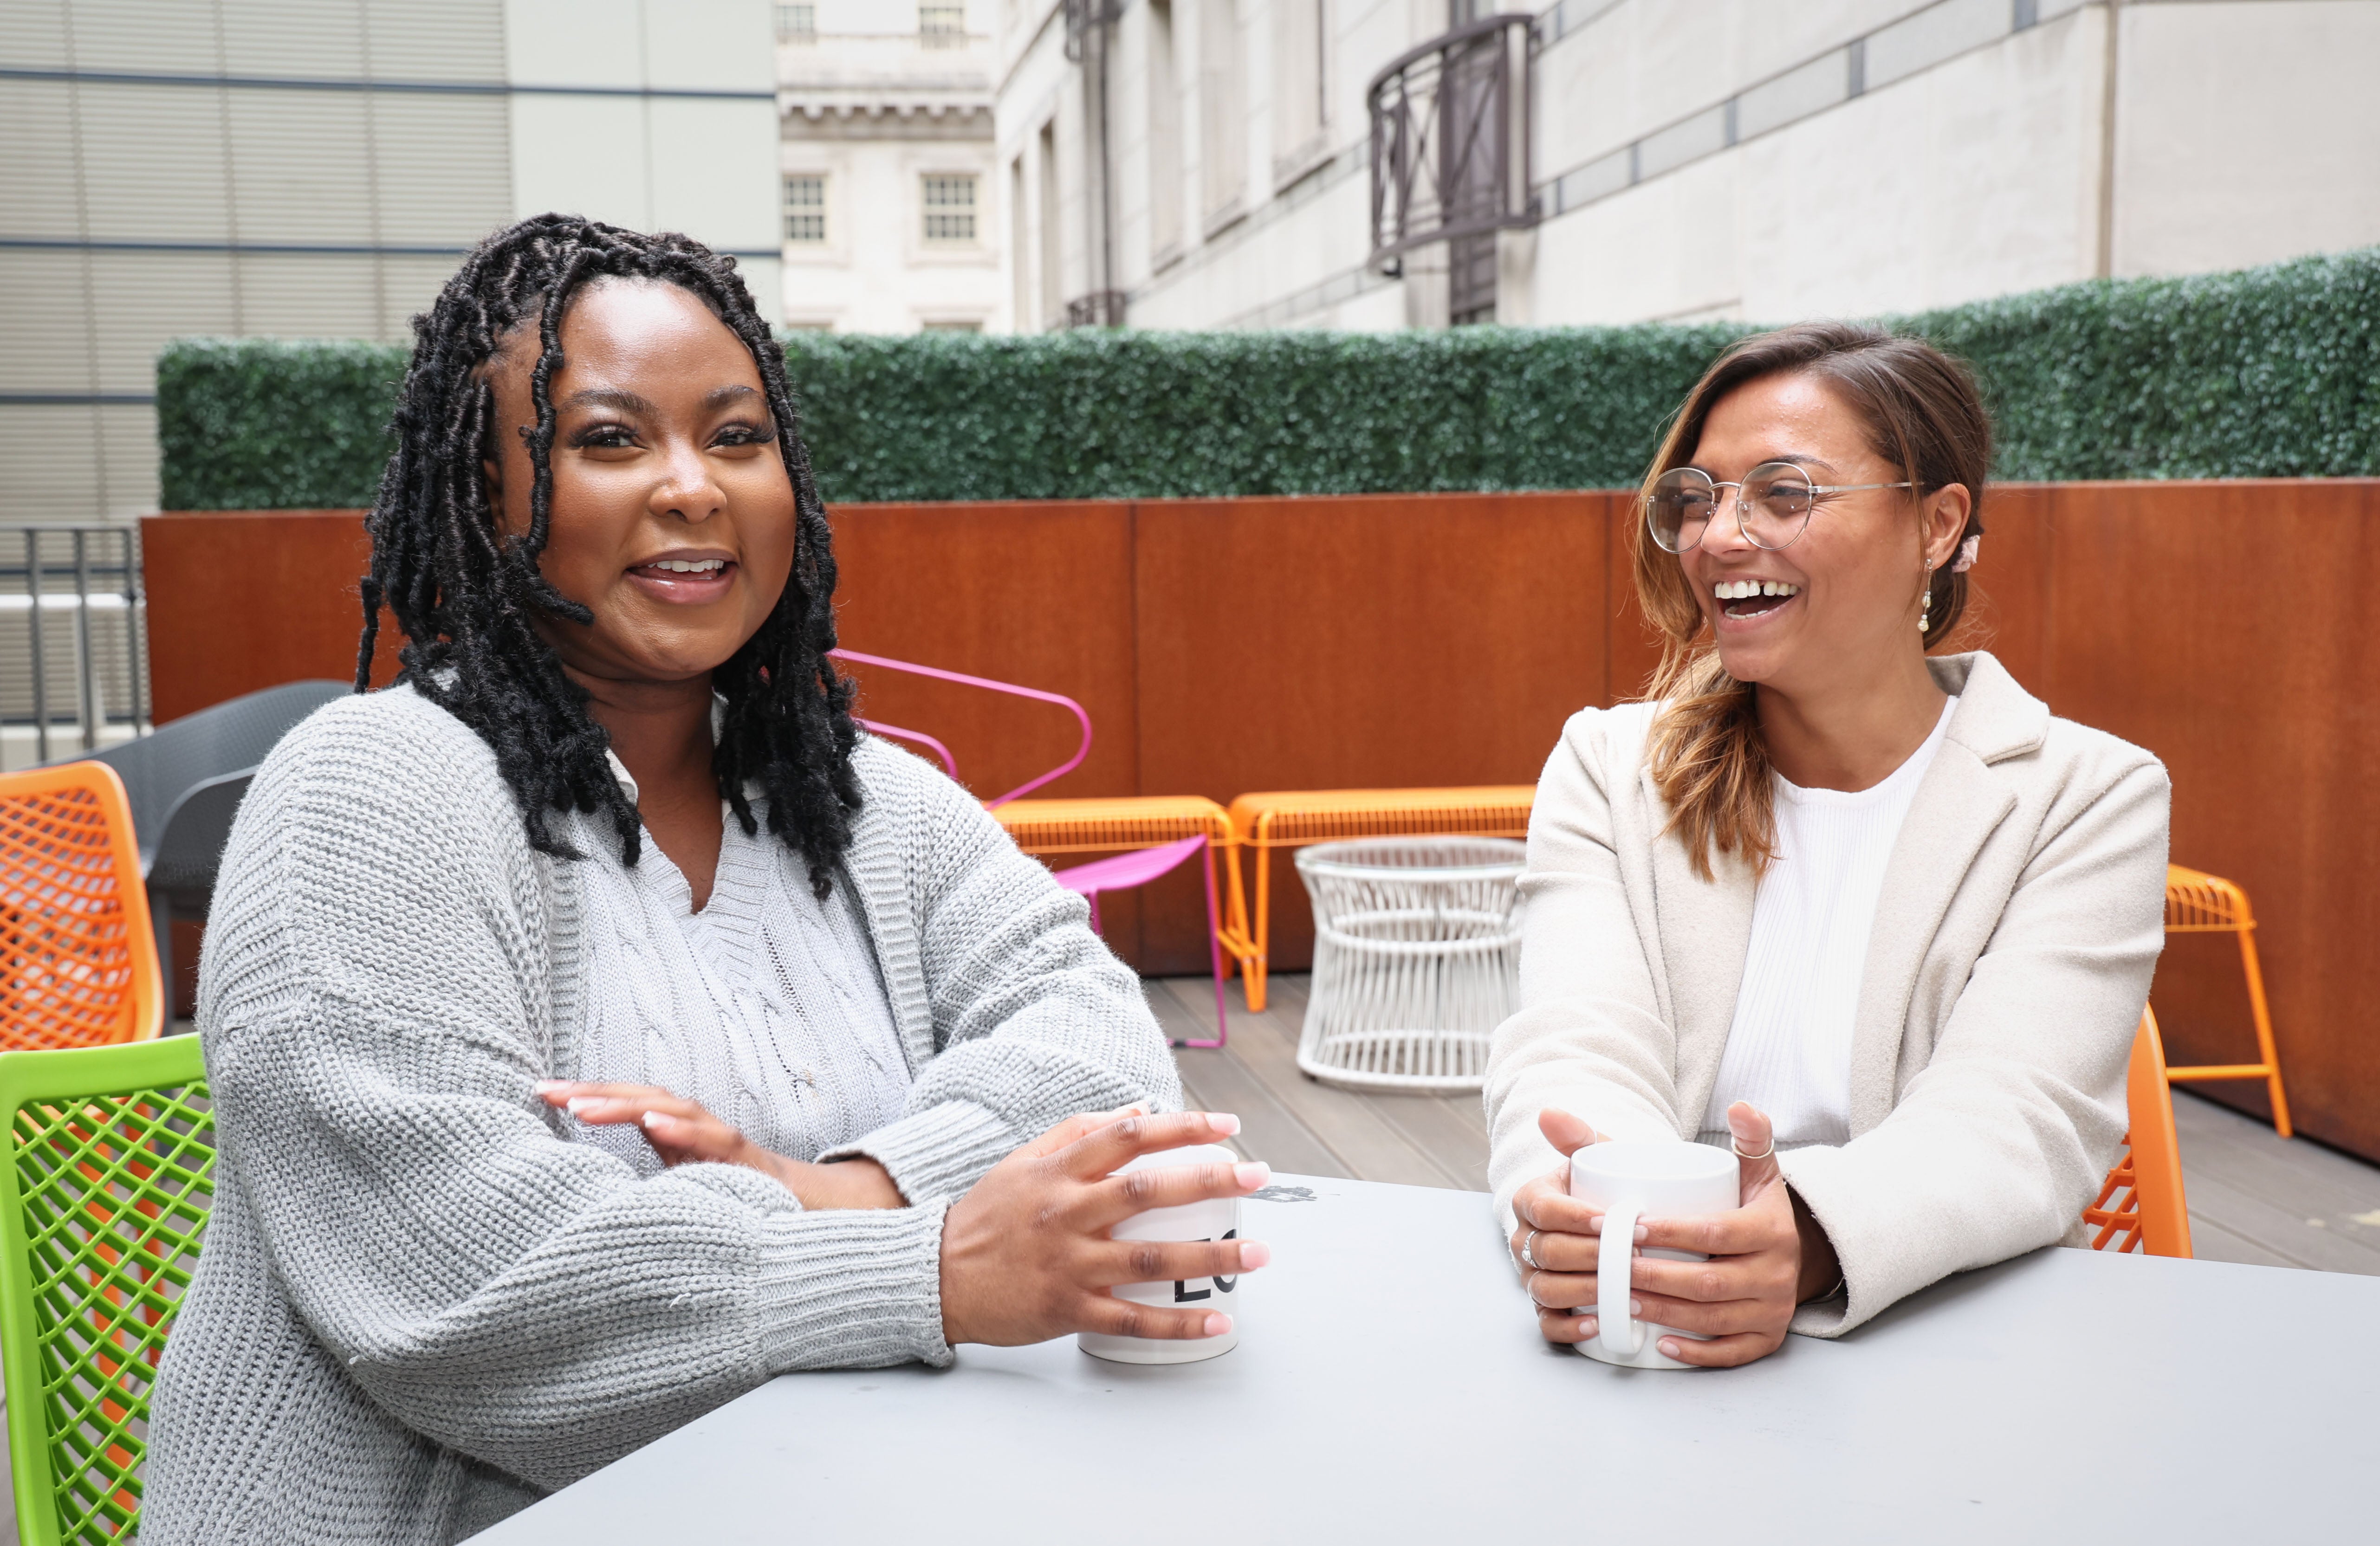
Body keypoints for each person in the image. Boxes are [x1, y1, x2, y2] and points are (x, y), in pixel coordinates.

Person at [145, 215, 1269, 1544]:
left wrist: (845, 1188)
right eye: (609, 440)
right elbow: (476, 1286)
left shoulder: (856, 795)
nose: (694, 488)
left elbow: (1105, 1051)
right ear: (485, 493)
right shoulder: (366, 798)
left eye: (737, 437)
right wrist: (928, 1265)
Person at [1489, 322, 2169, 1367]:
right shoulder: (1608, 767)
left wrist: (1801, 1239)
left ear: (1936, 525)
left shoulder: (2085, 796)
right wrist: (1633, 1233)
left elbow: (2015, 1115)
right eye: (1697, 498)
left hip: (1948, 1350)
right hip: (1636, 1331)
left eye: (1783, 493)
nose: (1718, 537)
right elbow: (1574, 1051)